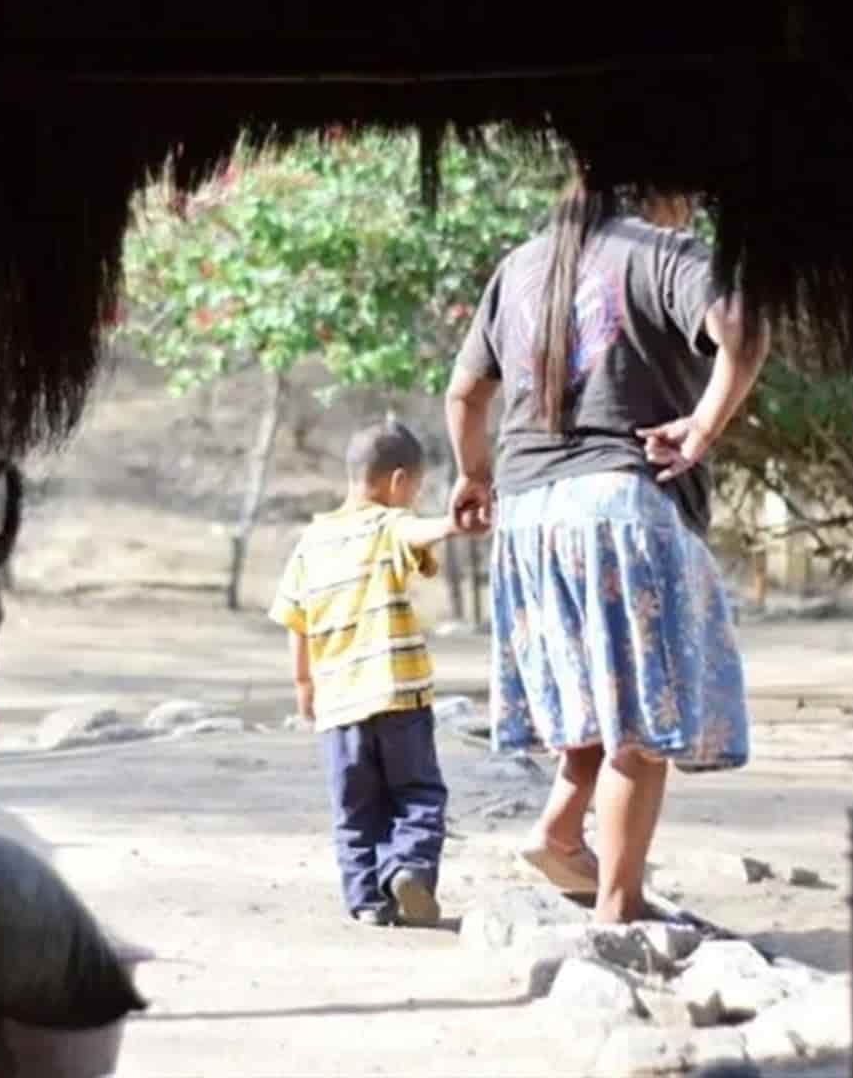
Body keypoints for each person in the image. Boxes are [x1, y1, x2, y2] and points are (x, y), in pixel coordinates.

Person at [445, 175, 770, 924]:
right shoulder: (664, 252)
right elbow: (744, 327)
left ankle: (559, 834)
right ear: (663, 192)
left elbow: (464, 395)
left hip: (528, 515)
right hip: (621, 504)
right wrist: (703, 426)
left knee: (597, 696)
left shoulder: (521, 265)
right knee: (638, 726)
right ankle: (619, 911)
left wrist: (473, 474)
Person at [269, 420, 458, 927]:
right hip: (398, 697)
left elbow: (295, 623)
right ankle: (408, 868)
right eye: (415, 489)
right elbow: (416, 530)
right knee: (417, 792)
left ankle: (368, 902)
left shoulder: (310, 543)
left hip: (338, 706)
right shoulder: (388, 524)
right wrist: (451, 523)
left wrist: (304, 686)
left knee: (354, 811)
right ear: (398, 481)